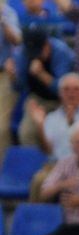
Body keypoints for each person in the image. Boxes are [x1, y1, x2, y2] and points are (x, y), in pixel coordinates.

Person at [24, 73, 79, 203]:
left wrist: (72, 123)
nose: (71, 93)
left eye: (76, 89)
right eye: (66, 89)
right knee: (39, 180)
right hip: (57, 166)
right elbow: (47, 150)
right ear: (60, 93)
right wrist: (40, 126)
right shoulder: (51, 118)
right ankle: (35, 215)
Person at [13, 28, 74, 149]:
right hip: (38, 99)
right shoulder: (22, 53)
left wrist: (41, 74)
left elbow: (64, 90)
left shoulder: (61, 52)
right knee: (26, 133)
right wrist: (13, 77)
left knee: (61, 135)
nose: (35, 56)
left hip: (63, 102)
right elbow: (19, 87)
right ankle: (34, 160)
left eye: (38, 51)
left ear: (46, 45)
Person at [0, 0, 21, 156]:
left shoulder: (7, 12)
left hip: (4, 74)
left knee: (1, 127)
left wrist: (2, 20)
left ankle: (2, 166)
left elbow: (17, 40)